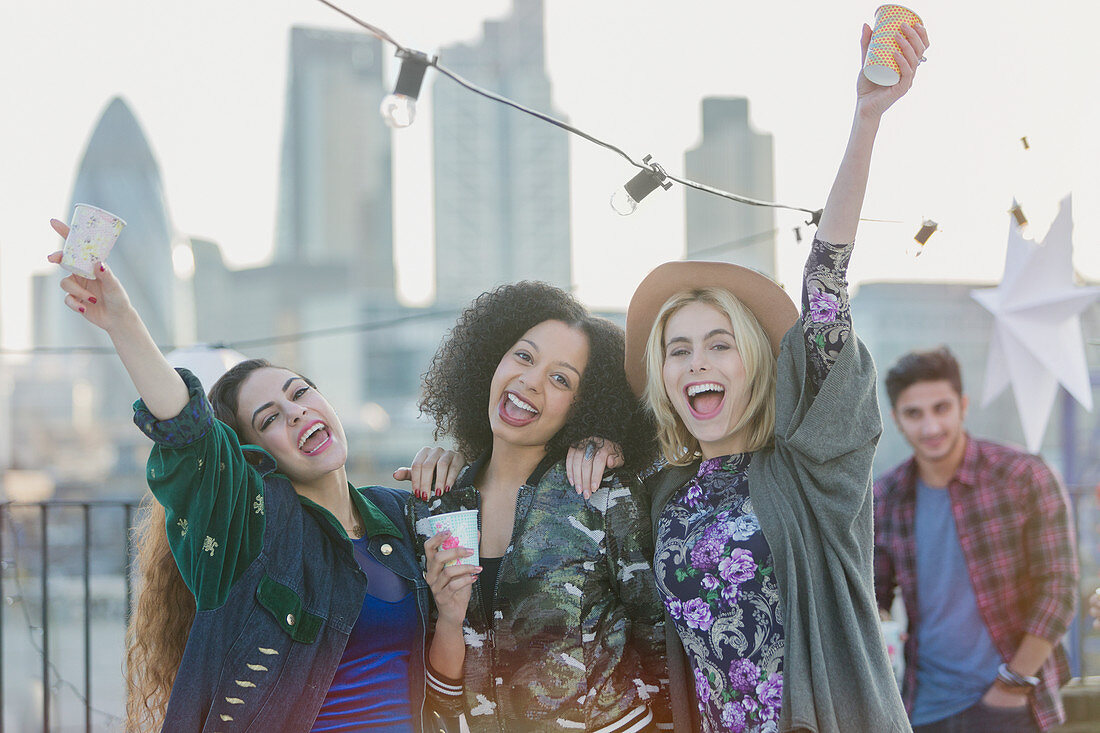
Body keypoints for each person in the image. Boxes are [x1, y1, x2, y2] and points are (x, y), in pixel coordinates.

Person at [601, 20, 930, 733]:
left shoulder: (813, 471)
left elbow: (824, 289)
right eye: (678, 349)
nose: (697, 363)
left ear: (756, 362)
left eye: (719, 344)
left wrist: (865, 119)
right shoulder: (663, 493)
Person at [46, 220, 471, 732]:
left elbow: (441, 685)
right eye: (269, 418)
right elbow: (190, 433)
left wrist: (454, 477)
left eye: (299, 392)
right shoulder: (253, 534)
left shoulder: (399, 517)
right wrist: (123, 322)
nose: (294, 412)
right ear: (251, 455)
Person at [406, 281, 669, 732]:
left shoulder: (603, 494)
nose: (530, 380)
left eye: (560, 378)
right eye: (524, 357)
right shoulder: (436, 507)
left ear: (582, 407)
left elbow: (659, 647)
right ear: (493, 359)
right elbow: (438, 700)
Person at [874, 346, 1078, 733]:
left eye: (941, 408)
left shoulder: (1023, 477)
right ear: (897, 420)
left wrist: (1013, 684)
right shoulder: (886, 497)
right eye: (914, 414)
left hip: (1009, 703)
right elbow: (872, 597)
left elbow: (1059, 588)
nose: (930, 427)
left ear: (963, 406)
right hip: (923, 705)